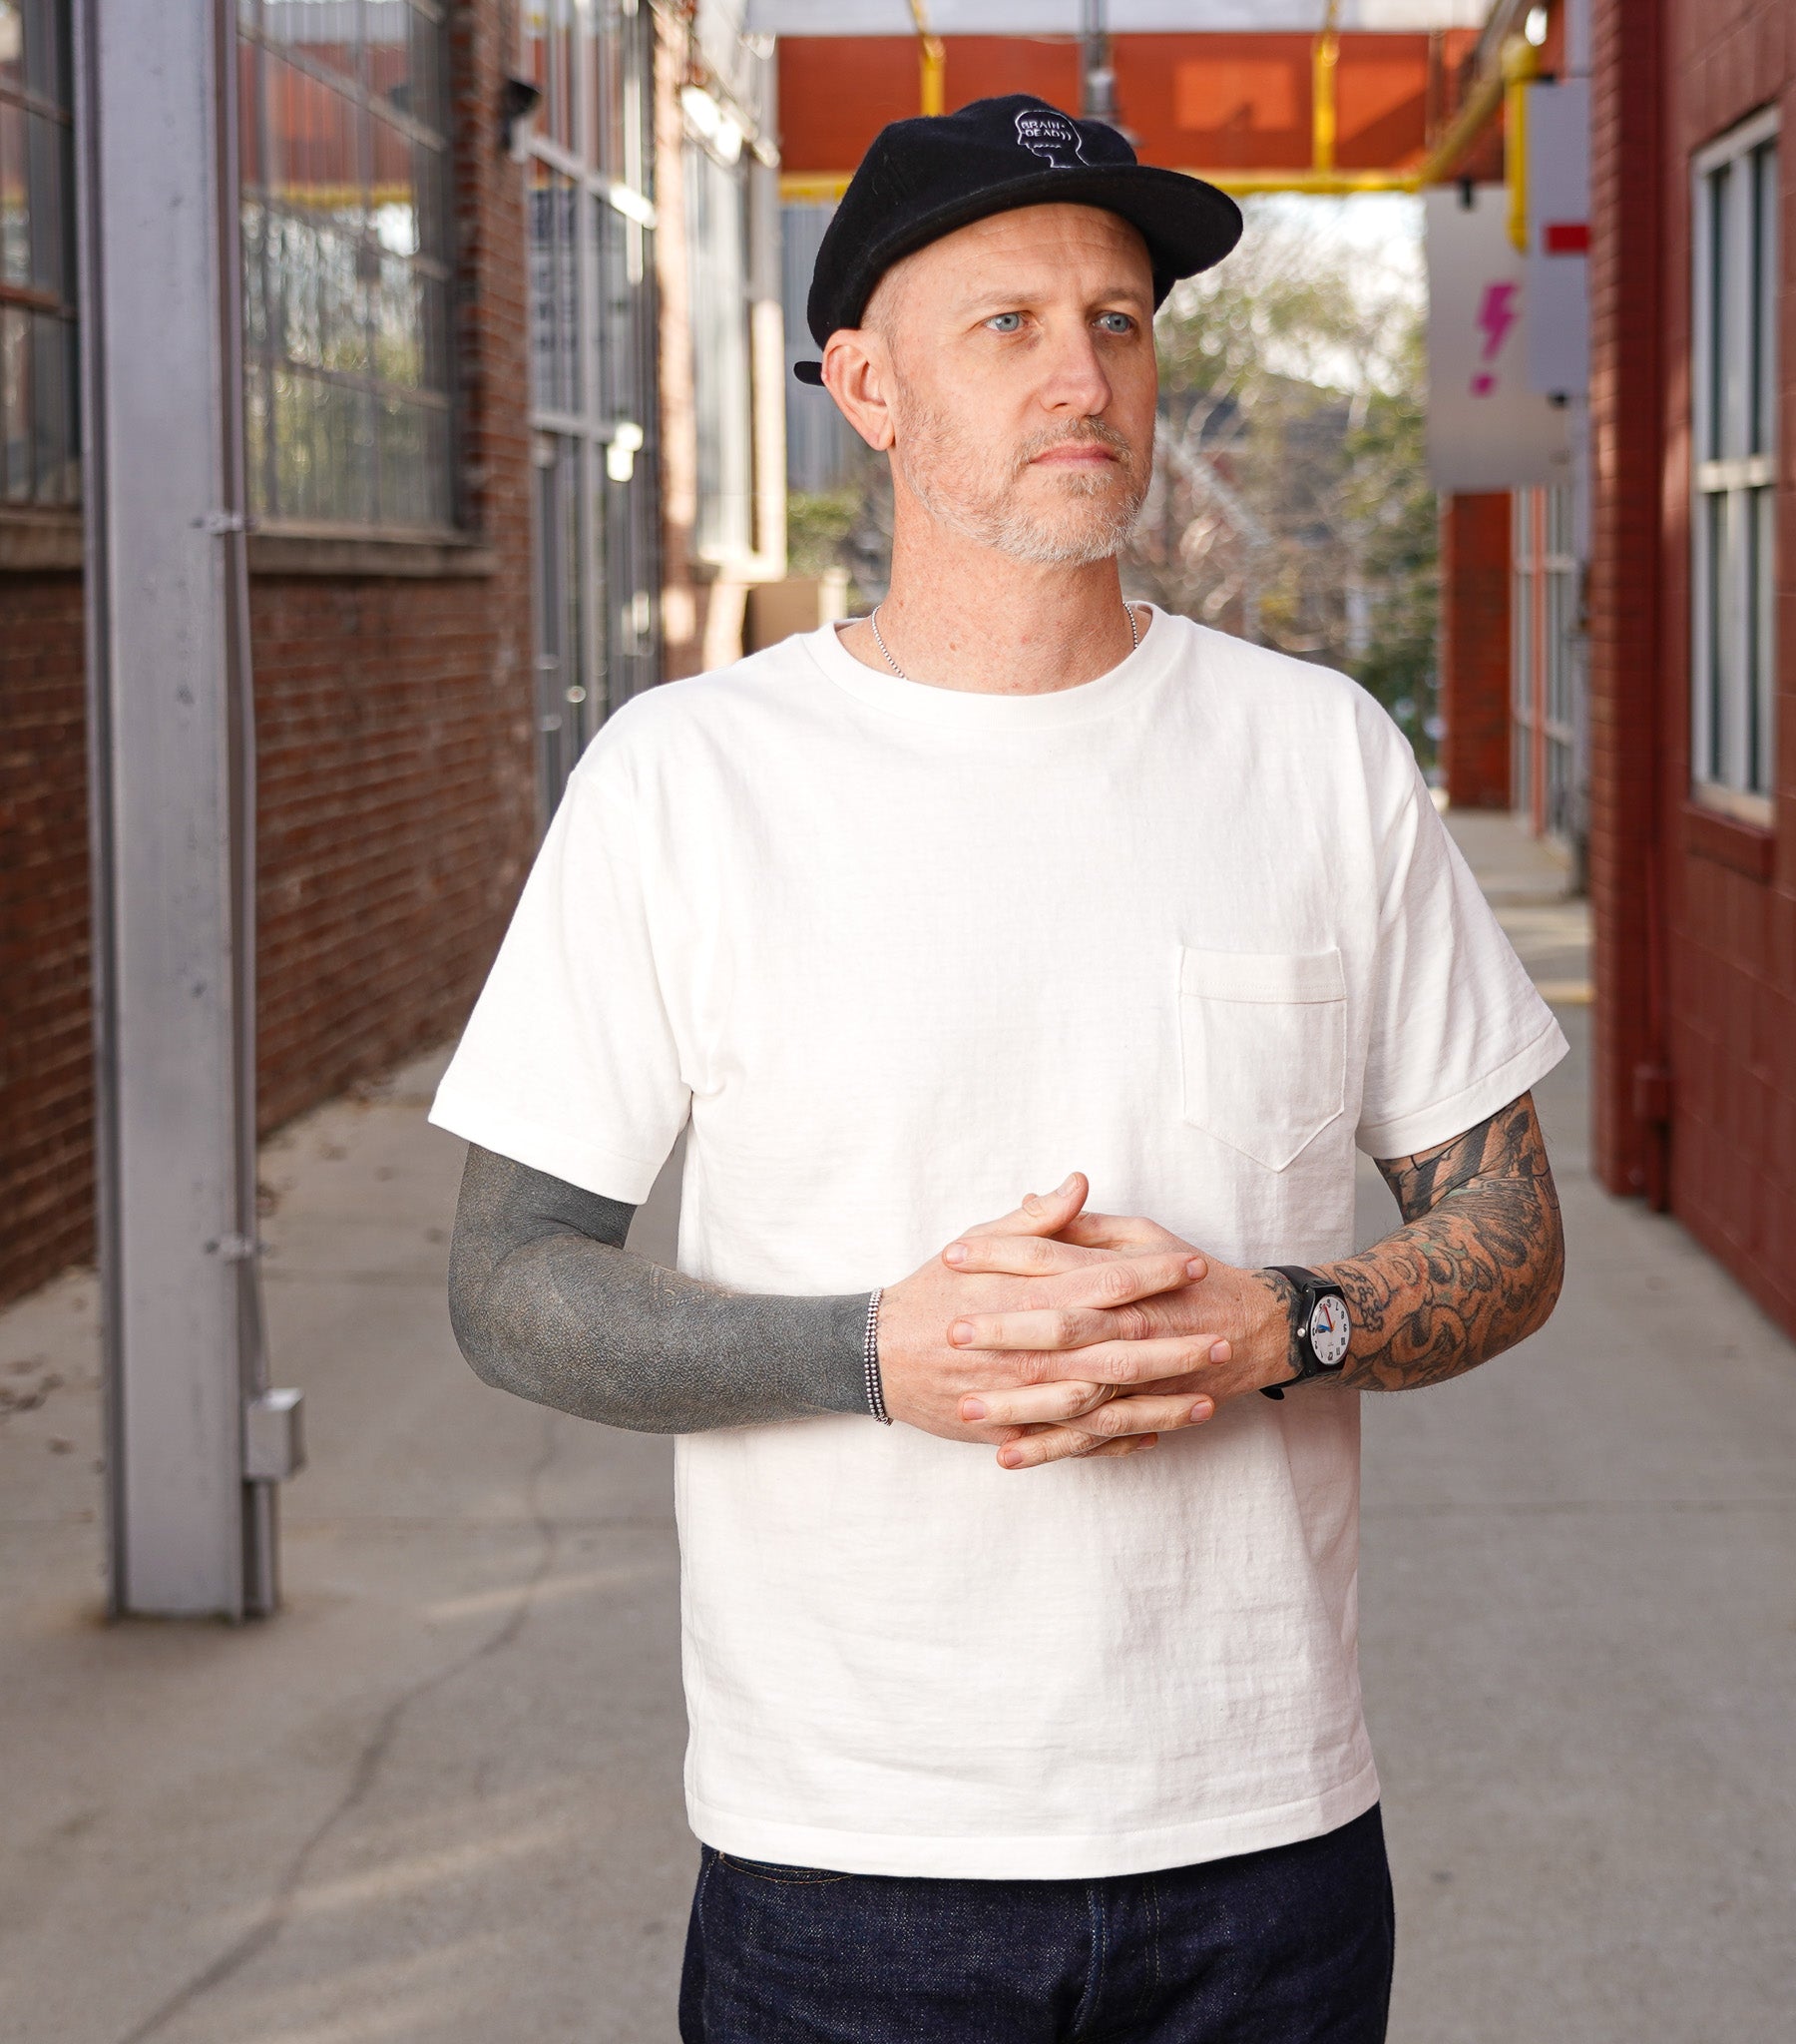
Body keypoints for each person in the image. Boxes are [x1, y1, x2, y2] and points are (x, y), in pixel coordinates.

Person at [434, 94, 1567, 2044]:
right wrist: (875, 1354)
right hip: (845, 1850)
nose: (1083, 375)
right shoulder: (686, 781)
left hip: (1265, 1835)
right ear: (868, 386)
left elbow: (1511, 1228)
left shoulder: (1316, 755)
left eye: (1118, 320)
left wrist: (1284, 1324)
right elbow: (509, 1281)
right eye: (1010, 325)